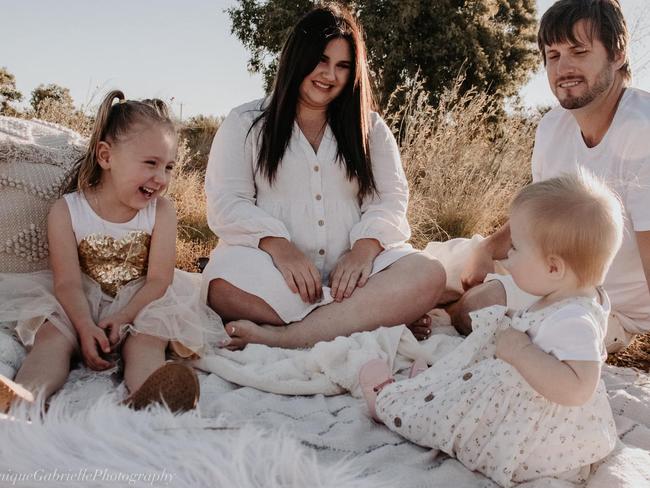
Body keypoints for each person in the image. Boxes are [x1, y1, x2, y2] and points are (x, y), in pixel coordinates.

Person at [202, 4, 445, 349]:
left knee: (428, 274)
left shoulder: (371, 129)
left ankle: (290, 335)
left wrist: (363, 250)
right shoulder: (245, 122)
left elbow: (390, 200)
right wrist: (280, 248)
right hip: (275, 274)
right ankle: (372, 315)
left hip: (360, 275)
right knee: (220, 287)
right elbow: (227, 203)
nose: (329, 75)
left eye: (343, 66)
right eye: (321, 60)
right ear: (297, 58)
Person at [360, 172, 622, 487]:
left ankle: (392, 406)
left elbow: (579, 388)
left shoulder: (575, 321)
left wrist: (520, 350)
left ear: (554, 268)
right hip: (532, 421)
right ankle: (436, 391)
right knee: (487, 348)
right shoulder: (571, 297)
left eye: (517, 249)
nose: (507, 257)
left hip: (531, 443)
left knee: (466, 412)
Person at [0, 91, 227, 413]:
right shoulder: (67, 211)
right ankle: (24, 397)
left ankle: (150, 393)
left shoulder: (161, 212)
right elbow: (65, 283)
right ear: (106, 157)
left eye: (169, 167)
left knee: (148, 338)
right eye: (151, 163)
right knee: (51, 337)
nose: (161, 179)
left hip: (142, 298)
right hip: (79, 297)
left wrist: (124, 317)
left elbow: (159, 280)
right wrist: (83, 326)